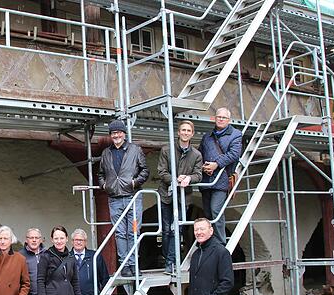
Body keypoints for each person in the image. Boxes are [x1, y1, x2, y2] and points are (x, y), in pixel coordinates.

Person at [97, 119, 149, 277]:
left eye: (119, 132)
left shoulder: (135, 149)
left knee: (133, 232)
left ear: (124, 133)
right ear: (111, 135)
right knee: (119, 233)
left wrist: (134, 182)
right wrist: (105, 185)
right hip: (114, 198)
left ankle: (134, 264)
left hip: (133, 197)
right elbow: (100, 174)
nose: (116, 135)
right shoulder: (106, 153)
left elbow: (145, 170)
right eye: (113, 133)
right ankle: (125, 265)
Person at [158, 120, 203, 274]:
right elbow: (161, 171)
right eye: (183, 130)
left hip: (184, 196)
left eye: (188, 130)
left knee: (177, 229)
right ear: (178, 132)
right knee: (166, 230)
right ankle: (167, 258)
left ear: (192, 134)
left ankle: (170, 262)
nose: (185, 132)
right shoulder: (167, 150)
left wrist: (189, 178)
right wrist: (175, 179)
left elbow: (199, 174)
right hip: (166, 195)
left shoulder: (196, 154)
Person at [199, 108, 242, 245]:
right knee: (208, 213)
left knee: (216, 210)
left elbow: (234, 154)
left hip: (222, 179)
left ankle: (220, 243)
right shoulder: (207, 137)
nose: (221, 119)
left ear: (228, 120)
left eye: (224, 117)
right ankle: (210, 242)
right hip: (206, 180)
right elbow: (200, 154)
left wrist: (216, 164)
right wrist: (203, 167)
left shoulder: (235, 134)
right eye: (219, 117)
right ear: (215, 118)